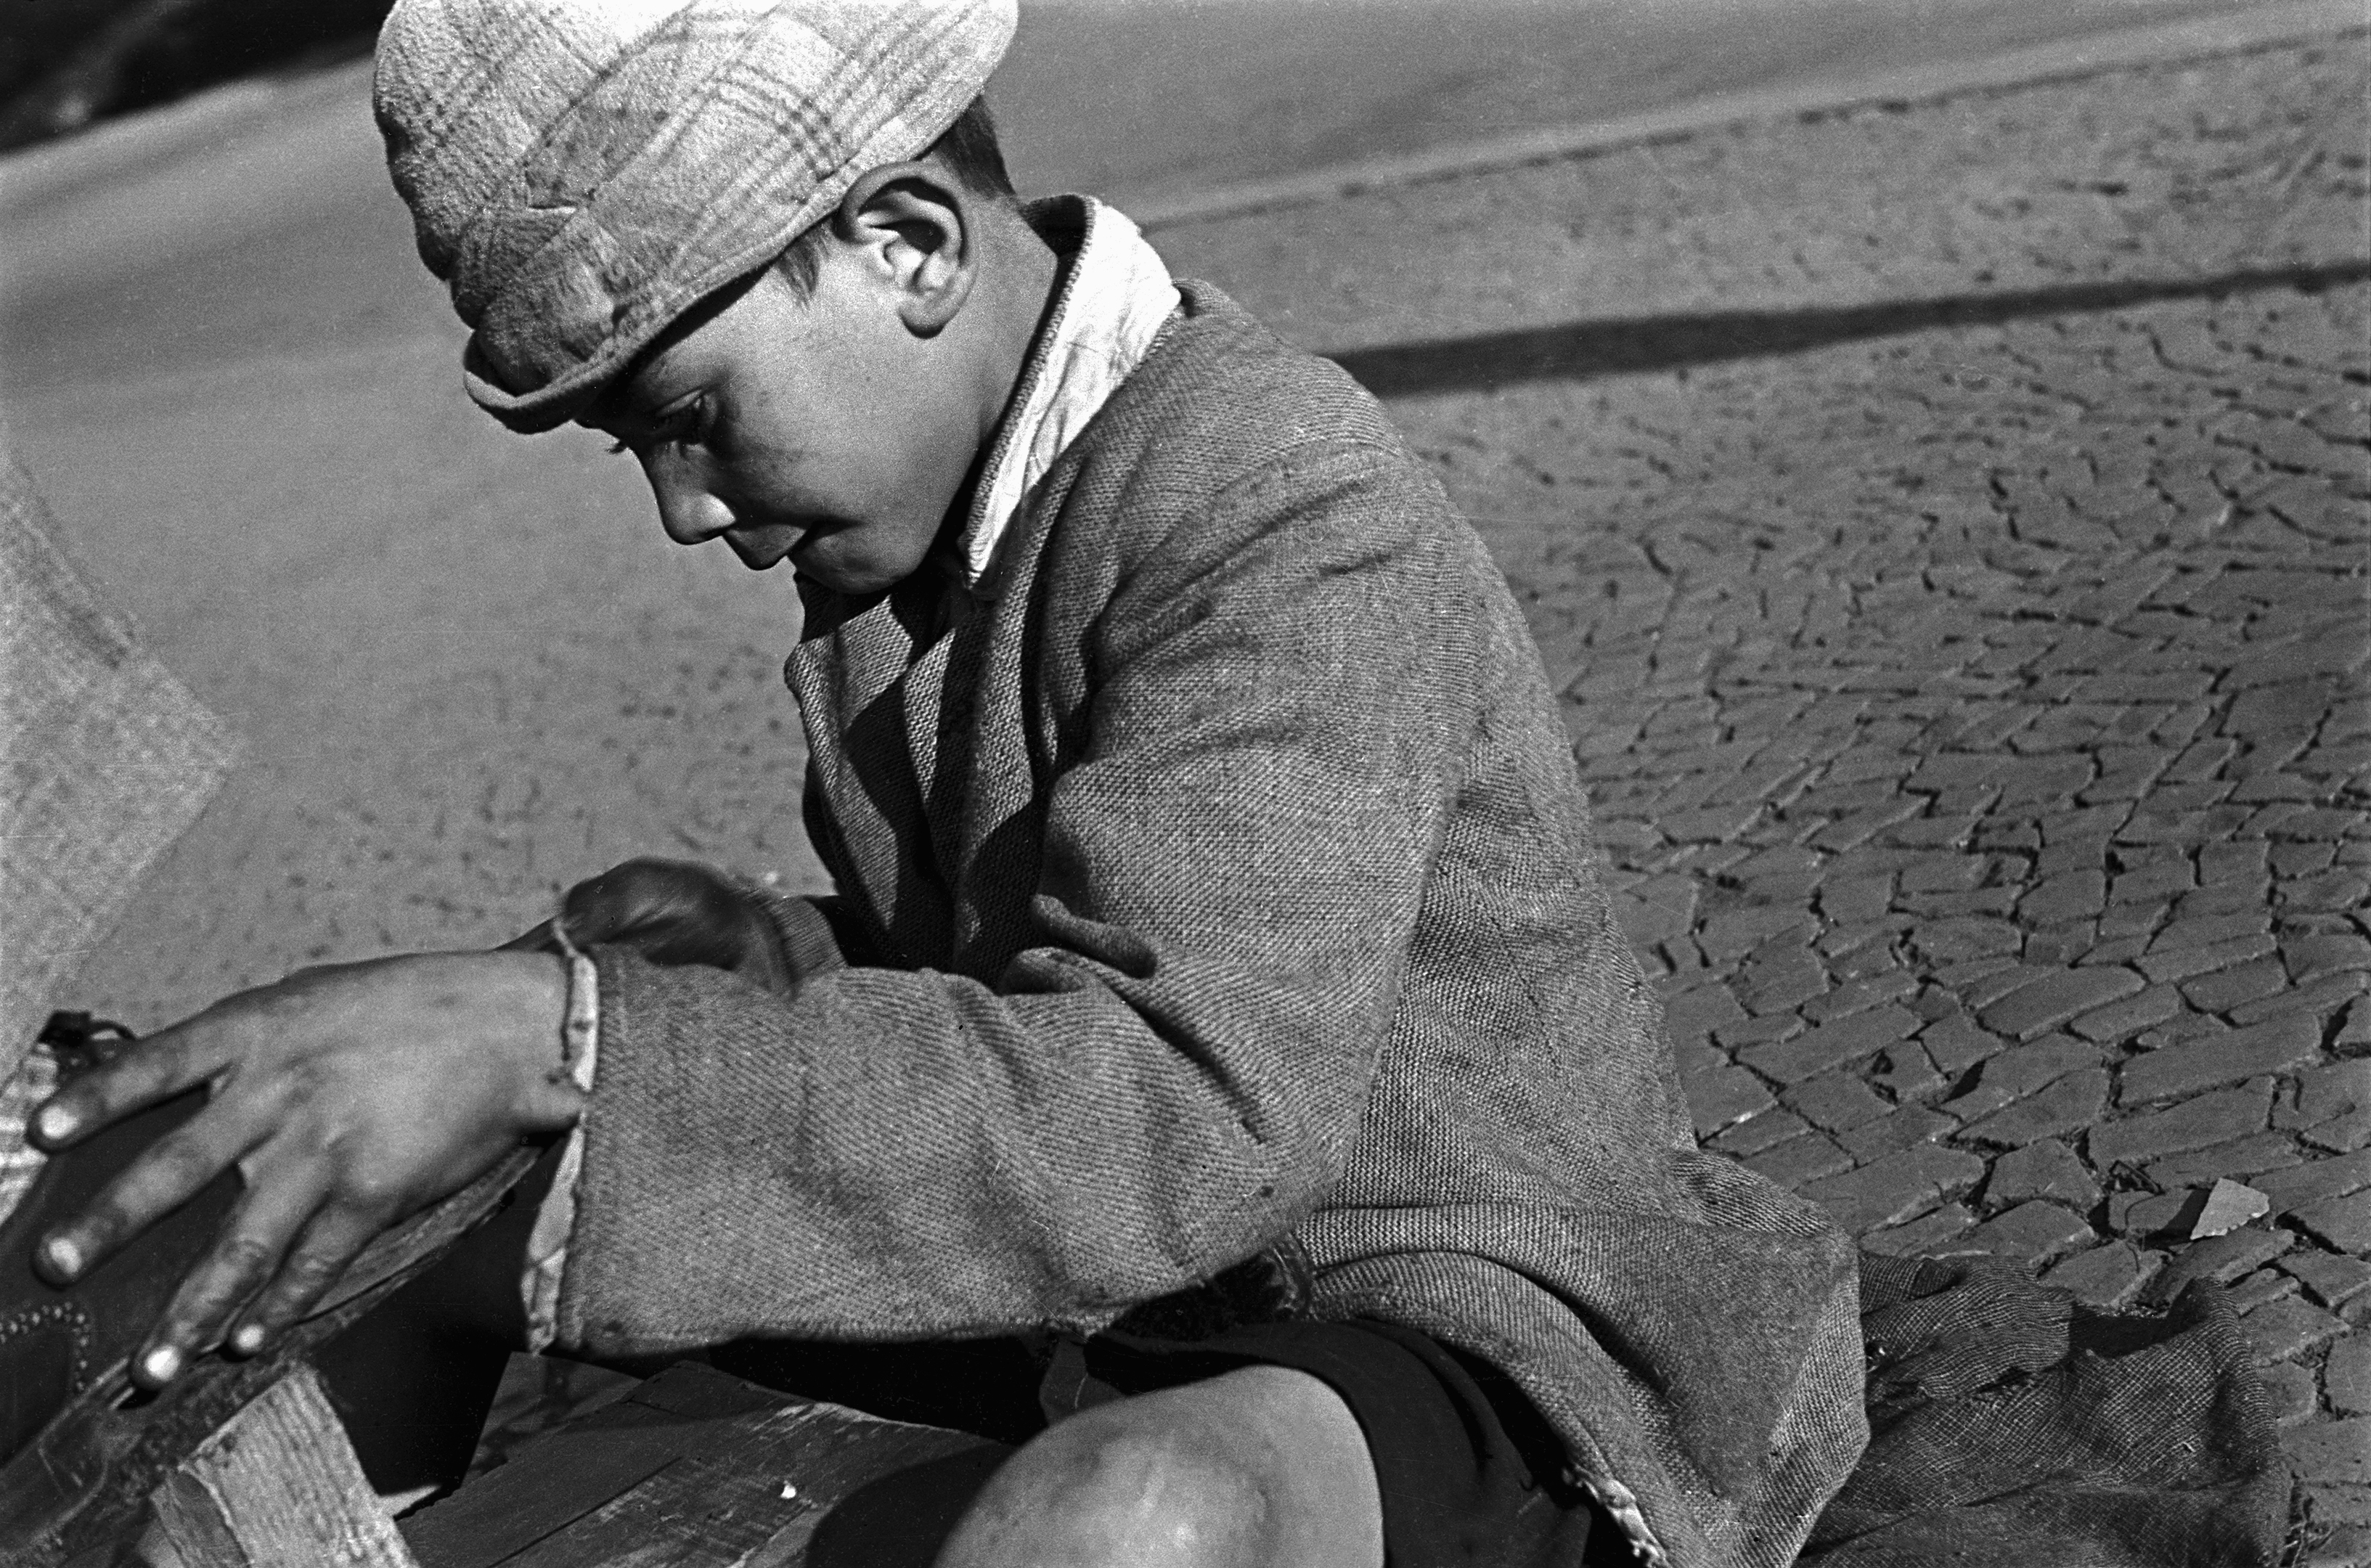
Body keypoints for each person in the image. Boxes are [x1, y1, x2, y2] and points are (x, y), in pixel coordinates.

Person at [25, 1, 1870, 1561]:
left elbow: (1170, 1109)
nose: (682, 511)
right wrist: (789, 959)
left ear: (906, 243)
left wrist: (557, 1042)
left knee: (1127, 1511)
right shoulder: (921, 529)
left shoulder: (1277, 504)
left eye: (684, 417)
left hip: (1443, 1303)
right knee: (421, 1220)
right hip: (1137, 1276)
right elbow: (1046, 953)